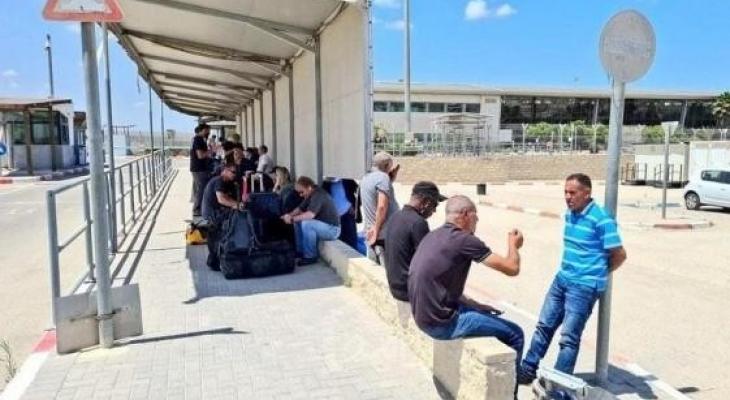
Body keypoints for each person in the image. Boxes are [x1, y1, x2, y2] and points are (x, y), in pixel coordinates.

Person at [518, 173, 627, 384]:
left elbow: (620, 255)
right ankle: (527, 370)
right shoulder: (570, 214)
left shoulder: (601, 219)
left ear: (587, 193)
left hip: (584, 287)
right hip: (562, 280)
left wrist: (598, 273)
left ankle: (558, 385)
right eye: (566, 192)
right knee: (544, 326)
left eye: (572, 192)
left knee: (568, 339)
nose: (568, 197)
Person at [408, 195, 525, 379]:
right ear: (465, 214)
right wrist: (513, 245)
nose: (477, 220)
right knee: (516, 334)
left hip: (423, 318)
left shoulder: (433, 235)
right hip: (443, 324)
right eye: (475, 215)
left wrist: (475, 305)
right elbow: (512, 268)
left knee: (486, 315)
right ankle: (513, 389)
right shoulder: (465, 240)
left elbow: (441, 286)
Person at [383, 181, 447, 302]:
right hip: (409, 291)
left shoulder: (395, 216)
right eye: (435, 205)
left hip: (395, 287)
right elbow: (428, 263)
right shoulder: (418, 223)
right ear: (426, 202)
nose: (434, 211)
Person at [281, 176, 341, 266]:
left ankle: (310, 256)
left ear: (309, 187)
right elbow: (300, 209)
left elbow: (310, 215)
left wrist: (292, 219)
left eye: (301, 192)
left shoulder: (319, 195)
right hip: (324, 226)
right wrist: (289, 215)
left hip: (333, 230)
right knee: (298, 221)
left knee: (307, 223)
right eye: (299, 193)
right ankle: (300, 251)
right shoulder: (311, 193)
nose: (300, 195)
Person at [201, 160, 243, 270]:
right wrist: (237, 205)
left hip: (217, 212)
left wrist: (236, 203)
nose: (235, 175)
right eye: (233, 172)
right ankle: (216, 260)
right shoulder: (219, 180)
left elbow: (228, 197)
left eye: (236, 172)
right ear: (225, 170)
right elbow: (221, 199)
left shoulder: (226, 183)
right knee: (219, 235)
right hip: (213, 213)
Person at [360, 151, 400, 264]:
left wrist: (390, 180)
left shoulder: (366, 177)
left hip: (372, 232)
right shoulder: (383, 178)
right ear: (386, 165)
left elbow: (373, 196)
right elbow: (381, 207)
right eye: (390, 166)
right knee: (385, 270)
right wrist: (376, 231)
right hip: (382, 234)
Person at [322, 178, 361, 251]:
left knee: (352, 242)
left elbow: (359, 191)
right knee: (339, 244)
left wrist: (354, 206)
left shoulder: (347, 180)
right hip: (334, 218)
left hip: (348, 214)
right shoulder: (326, 183)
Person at [190, 123, 211, 217]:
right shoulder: (198, 139)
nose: (208, 133)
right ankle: (197, 210)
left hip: (197, 168)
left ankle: (199, 208)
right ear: (201, 130)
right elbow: (200, 155)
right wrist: (211, 151)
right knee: (201, 189)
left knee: (199, 189)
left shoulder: (197, 139)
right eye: (207, 131)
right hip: (199, 168)